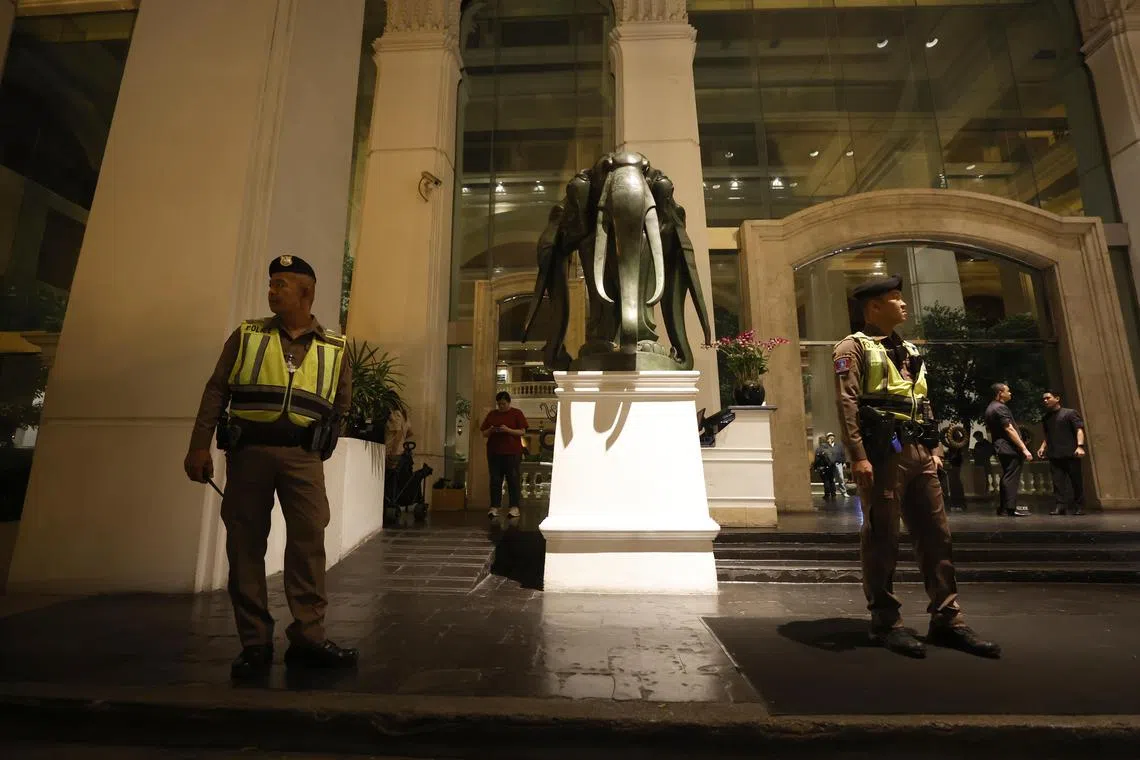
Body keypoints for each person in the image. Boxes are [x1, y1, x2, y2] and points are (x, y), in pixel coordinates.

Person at [184, 254, 358, 679]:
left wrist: (321, 446)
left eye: (281, 284)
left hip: (304, 458)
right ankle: (255, 643)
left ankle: (309, 638)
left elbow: (341, 405)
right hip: (249, 455)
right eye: (271, 283)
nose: (272, 290)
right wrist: (199, 446)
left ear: (306, 292)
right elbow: (216, 390)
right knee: (245, 545)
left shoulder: (335, 347)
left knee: (308, 544)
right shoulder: (247, 335)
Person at [833, 273, 1000, 659]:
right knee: (882, 536)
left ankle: (948, 619)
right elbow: (847, 402)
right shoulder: (852, 347)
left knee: (937, 535)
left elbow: (923, 400)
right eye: (895, 297)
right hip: (882, 454)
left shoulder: (908, 348)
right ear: (874, 307)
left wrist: (936, 446)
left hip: (921, 451)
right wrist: (858, 455)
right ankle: (886, 621)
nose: (903, 303)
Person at [984, 383, 1033, 516]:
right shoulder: (1000, 408)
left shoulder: (990, 407)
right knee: (1011, 476)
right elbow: (1009, 428)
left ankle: (1004, 508)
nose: (1010, 393)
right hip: (1008, 447)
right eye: (1008, 391)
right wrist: (1024, 448)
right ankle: (1009, 508)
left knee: (1007, 475)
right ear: (1000, 393)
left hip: (1001, 446)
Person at [1037, 390, 1087, 515]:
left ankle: (1079, 506)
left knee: (1076, 482)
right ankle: (1060, 506)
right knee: (1057, 483)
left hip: (1071, 453)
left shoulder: (1070, 413)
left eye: (1048, 398)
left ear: (1057, 398)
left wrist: (1080, 446)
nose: (1045, 401)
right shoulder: (1046, 417)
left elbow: (1079, 430)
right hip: (1054, 454)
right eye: (1044, 399)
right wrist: (1042, 447)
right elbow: (1048, 435)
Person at [480, 391, 528, 519]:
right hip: (494, 452)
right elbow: (484, 433)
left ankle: (514, 507)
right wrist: (491, 430)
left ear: (509, 402)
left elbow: (522, 432)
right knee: (495, 480)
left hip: (512, 452)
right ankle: (494, 507)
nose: (501, 406)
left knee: (513, 480)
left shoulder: (517, 413)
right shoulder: (492, 414)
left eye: (503, 404)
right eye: (499, 404)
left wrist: (508, 430)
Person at [969, 431, 995, 498]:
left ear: (980, 436)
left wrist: (979, 452)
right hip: (979, 463)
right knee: (981, 479)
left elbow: (989, 453)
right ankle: (982, 491)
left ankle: (987, 491)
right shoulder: (978, 444)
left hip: (985, 463)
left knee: (986, 478)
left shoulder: (987, 444)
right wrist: (974, 452)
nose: (976, 439)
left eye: (976, 438)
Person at [813, 435, 837, 500]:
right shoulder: (830, 447)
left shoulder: (819, 449)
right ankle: (833, 494)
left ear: (819, 441)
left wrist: (815, 467)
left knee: (826, 481)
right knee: (831, 480)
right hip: (831, 467)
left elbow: (816, 460)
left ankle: (827, 494)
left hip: (823, 468)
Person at [825, 433, 848, 497]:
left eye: (832, 436)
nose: (831, 437)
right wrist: (829, 445)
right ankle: (833, 492)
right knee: (832, 479)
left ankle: (844, 492)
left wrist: (844, 462)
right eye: (829, 436)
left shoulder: (839, 446)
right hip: (830, 464)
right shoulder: (826, 446)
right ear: (827, 438)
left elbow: (843, 454)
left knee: (841, 478)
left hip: (838, 463)